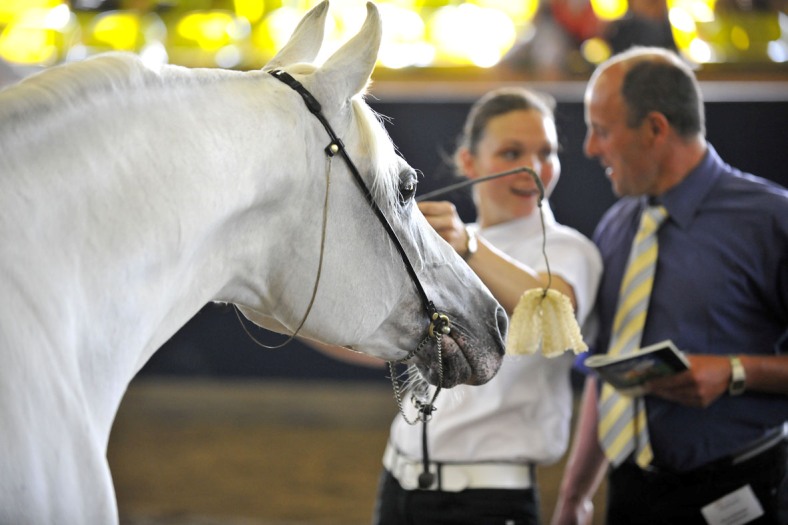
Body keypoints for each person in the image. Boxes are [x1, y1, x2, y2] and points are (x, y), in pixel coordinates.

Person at [551, 47, 788, 525]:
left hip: (743, 492)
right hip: (632, 492)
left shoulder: (770, 220)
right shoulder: (617, 227)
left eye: (602, 130)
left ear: (656, 128)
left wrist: (735, 371)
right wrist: (574, 496)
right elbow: (606, 373)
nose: (591, 149)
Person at [373, 87, 603, 525]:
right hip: (398, 481)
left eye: (546, 152)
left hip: (489, 499)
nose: (533, 169)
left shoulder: (569, 250)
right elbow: (383, 346)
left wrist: (468, 245)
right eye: (512, 151)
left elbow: (555, 310)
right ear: (468, 163)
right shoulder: (451, 245)